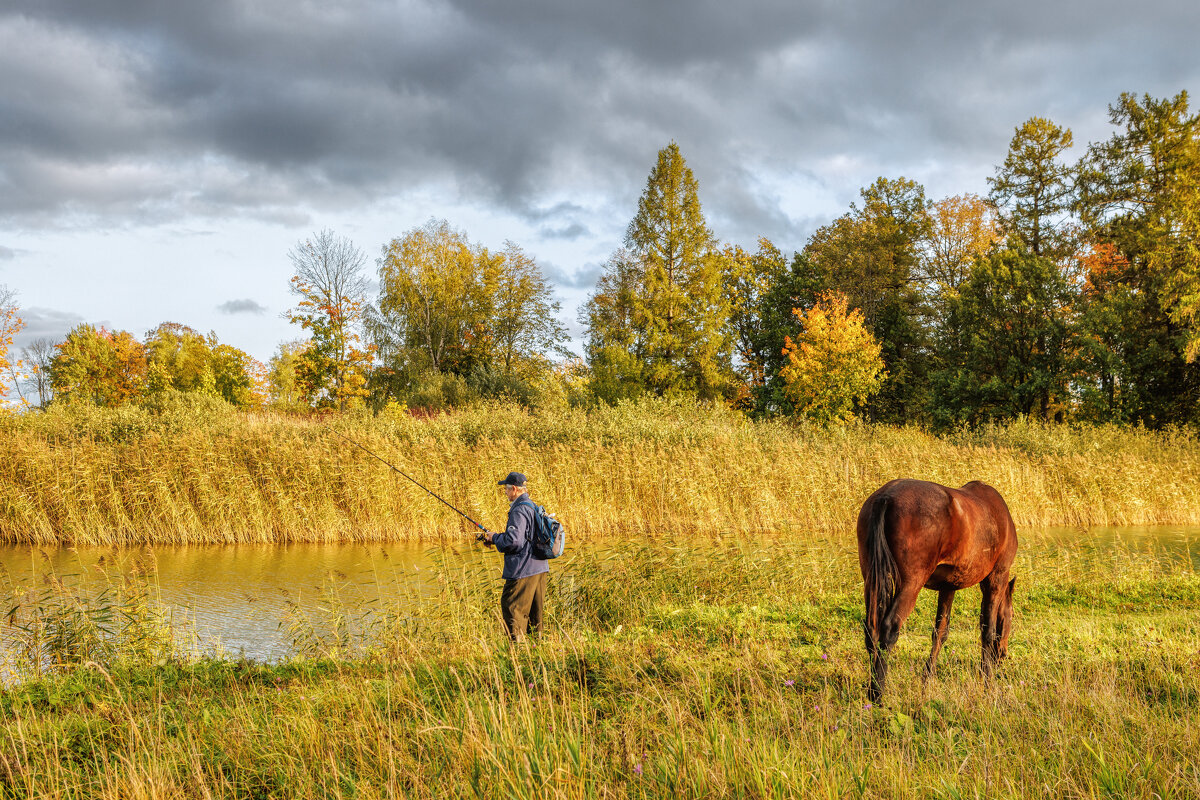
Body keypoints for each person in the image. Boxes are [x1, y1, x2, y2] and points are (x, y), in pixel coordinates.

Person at [480, 471, 548, 641]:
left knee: (512, 608)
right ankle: (537, 652)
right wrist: (496, 538)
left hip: (523, 570)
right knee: (535, 615)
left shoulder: (519, 510)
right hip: (539, 568)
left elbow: (514, 542)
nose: (505, 492)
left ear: (515, 489)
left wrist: (494, 537)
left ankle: (516, 654)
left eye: (506, 489)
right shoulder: (533, 506)